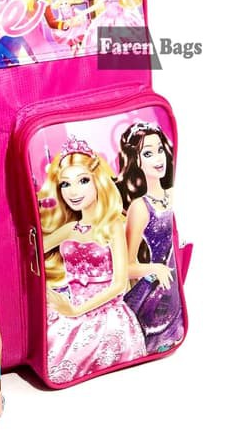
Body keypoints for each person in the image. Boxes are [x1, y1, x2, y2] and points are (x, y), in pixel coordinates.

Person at [37, 137, 146, 384]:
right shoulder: (71, 228)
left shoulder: (112, 225)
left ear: (98, 181)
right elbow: (34, 252)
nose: (73, 191)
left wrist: (76, 310)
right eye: (65, 184)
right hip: (70, 309)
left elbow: (118, 284)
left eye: (83, 181)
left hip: (107, 316)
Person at [116, 121, 185, 353]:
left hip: (175, 291)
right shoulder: (140, 207)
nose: (158, 158)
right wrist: (155, 268)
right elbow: (125, 268)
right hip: (155, 298)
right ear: (136, 161)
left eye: (159, 150)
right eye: (148, 153)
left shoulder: (173, 193)